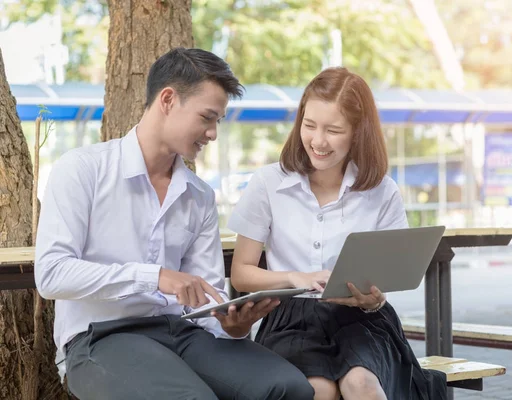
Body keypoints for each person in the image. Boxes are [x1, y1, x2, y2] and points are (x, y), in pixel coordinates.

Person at [35, 47, 314, 400]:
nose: (212, 133)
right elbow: (51, 275)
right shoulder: (82, 170)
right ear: (168, 99)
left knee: (289, 388)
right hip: (99, 337)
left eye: (217, 122)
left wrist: (235, 325)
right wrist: (155, 276)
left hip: (182, 335)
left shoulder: (198, 196)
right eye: (207, 117)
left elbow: (205, 304)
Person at [228, 67, 448, 400]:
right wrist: (295, 277)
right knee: (316, 391)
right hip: (292, 320)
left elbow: (388, 276)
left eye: (333, 130)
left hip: (363, 320)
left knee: (363, 385)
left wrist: (375, 299)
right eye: (309, 125)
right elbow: (241, 274)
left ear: (358, 132)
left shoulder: (381, 191)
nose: (318, 141)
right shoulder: (268, 184)